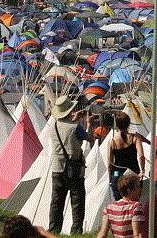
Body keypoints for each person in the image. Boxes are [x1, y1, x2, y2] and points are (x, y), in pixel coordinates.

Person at [48, 95, 91, 234]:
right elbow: (90, 137)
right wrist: (89, 125)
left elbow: (63, 127)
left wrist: (73, 118)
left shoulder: (53, 126)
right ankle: (76, 230)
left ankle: (54, 229)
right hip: (74, 168)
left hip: (57, 168)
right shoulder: (76, 127)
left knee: (56, 202)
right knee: (77, 201)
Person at [106, 112, 145, 200]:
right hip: (133, 174)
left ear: (117, 125)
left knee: (119, 203)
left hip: (118, 175)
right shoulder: (135, 138)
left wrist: (110, 178)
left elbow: (109, 163)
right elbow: (141, 155)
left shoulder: (112, 142)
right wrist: (142, 171)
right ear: (128, 124)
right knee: (134, 203)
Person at [98, 172, 146, 238]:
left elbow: (102, 234)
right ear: (129, 190)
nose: (140, 189)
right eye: (138, 187)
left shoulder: (109, 207)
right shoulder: (136, 207)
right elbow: (137, 235)